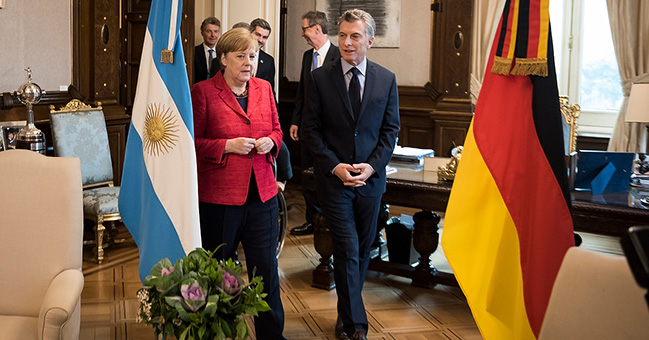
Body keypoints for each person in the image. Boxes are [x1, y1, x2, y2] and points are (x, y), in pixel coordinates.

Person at [301, 9, 400, 340]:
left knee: (362, 249)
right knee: (345, 248)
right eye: (342, 35)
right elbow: (312, 132)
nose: (346, 42)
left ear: (369, 41)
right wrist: (335, 166)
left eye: (354, 36)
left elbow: (390, 132)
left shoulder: (386, 79)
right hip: (334, 181)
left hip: (370, 181)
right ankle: (357, 325)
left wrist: (372, 166)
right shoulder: (319, 79)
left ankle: (345, 317)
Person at [191, 28, 286, 340]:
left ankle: (271, 336)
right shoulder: (203, 92)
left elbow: (277, 130)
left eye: (253, 56)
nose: (249, 62)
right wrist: (227, 146)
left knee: (266, 272)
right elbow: (193, 143)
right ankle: (216, 333)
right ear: (223, 59)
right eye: (241, 56)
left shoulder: (264, 88)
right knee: (218, 272)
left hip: (262, 195)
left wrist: (270, 142)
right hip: (220, 199)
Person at [289, 10, 341, 236]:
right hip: (308, 128)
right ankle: (312, 220)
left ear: (317, 29)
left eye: (305, 29)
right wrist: (296, 121)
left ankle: (331, 223)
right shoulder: (307, 57)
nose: (303, 34)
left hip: (331, 131)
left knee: (329, 176)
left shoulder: (339, 56)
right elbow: (303, 91)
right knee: (308, 177)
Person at [193, 17, 221, 83]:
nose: (213, 35)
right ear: (202, 33)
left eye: (215, 31)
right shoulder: (194, 52)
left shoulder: (223, 53)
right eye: (209, 31)